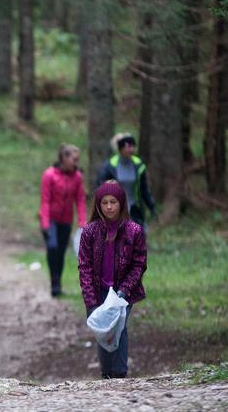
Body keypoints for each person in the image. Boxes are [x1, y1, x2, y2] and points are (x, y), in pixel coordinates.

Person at [78, 180, 147, 379]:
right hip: (99, 289)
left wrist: (124, 290)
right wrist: (90, 301)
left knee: (120, 327)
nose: (109, 207)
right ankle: (106, 372)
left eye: (113, 202)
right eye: (105, 203)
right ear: (98, 205)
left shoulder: (134, 231)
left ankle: (119, 372)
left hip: (124, 290)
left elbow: (139, 264)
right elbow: (84, 267)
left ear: (121, 204)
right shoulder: (90, 232)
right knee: (103, 330)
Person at [38, 144, 86, 297]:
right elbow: (45, 200)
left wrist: (82, 222)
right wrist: (45, 224)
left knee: (61, 252)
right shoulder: (49, 175)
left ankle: (58, 281)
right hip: (50, 219)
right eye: (74, 159)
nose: (76, 162)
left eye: (77, 159)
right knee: (52, 247)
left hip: (66, 220)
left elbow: (80, 200)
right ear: (63, 158)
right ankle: (54, 281)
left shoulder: (77, 176)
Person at [96, 133, 156, 227]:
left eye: (133, 146)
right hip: (115, 210)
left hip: (134, 209)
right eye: (128, 146)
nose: (131, 149)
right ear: (121, 148)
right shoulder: (110, 166)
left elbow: (143, 188)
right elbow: (101, 187)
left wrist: (151, 205)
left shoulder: (138, 164)